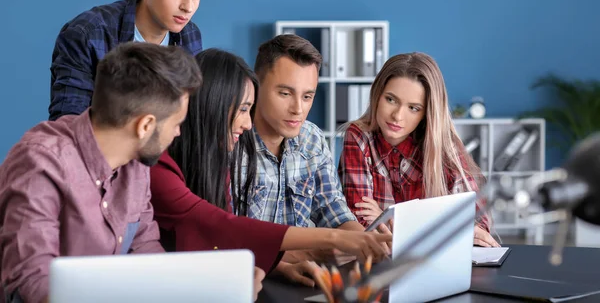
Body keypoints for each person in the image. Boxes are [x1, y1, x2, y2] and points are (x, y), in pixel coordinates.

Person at [150, 48, 391, 287]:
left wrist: (279, 267)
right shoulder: (159, 167)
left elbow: (219, 241)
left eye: (308, 96)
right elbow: (222, 227)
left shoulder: (216, 157)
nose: (246, 123)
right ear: (212, 104)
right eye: (244, 109)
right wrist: (331, 241)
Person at [0, 43, 203, 303]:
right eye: (177, 123)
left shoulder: (137, 163)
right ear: (145, 126)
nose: (178, 133)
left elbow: (144, 246)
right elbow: (34, 282)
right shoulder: (41, 161)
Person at [337, 52, 500, 248]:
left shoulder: (443, 145)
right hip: (380, 263)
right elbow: (361, 224)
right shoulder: (358, 137)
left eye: (413, 108)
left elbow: (477, 227)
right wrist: (441, 229)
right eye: (391, 99)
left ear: (426, 112)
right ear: (377, 95)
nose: (397, 115)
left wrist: (386, 217)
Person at [49, 0, 207, 120]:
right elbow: (69, 125)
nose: (188, 7)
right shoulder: (88, 33)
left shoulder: (190, 36)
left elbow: (191, 120)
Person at [236, 35, 364, 233]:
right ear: (256, 86)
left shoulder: (313, 139)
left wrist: (364, 241)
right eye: (285, 94)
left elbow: (331, 207)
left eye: (307, 96)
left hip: (304, 262)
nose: (298, 109)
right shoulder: (232, 140)